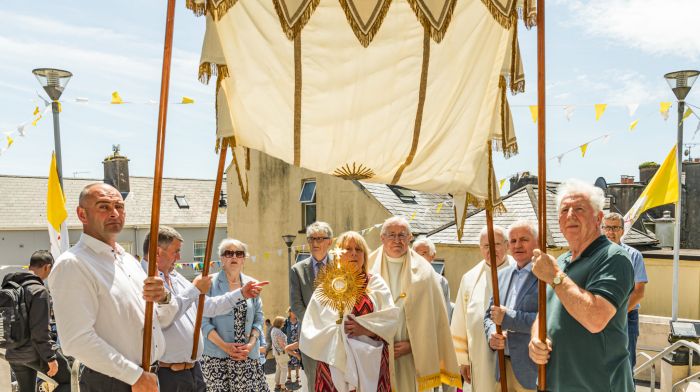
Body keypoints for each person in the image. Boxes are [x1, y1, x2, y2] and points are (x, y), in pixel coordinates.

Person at [48, 183, 177, 392]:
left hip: (147, 376)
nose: (115, 213)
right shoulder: (73, 264)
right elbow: (76, 340)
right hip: (112, 381)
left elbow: (161, 319)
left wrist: (164, 298)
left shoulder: (129, 261)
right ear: (82, 214)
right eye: (103, 207)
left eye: (119, 206)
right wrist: (134, 376)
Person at [528, 179, 635, 391]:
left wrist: (556, 277)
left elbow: (595, 318)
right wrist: (535, 340)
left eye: (579, 209)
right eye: (564, 209)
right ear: (558, 222)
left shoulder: (614, 258)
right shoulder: (559, 262)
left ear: (599, 218)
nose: (570, 215)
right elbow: (543, 314)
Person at [142, 227, 268, 391]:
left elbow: (207, 307)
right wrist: (195, 289)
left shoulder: (175, 277)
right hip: (167, 373)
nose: (180, 257)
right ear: (158, 252)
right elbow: (165, 318)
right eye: (176, 252)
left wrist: (242, 293)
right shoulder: (143, 280)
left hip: (192, 371)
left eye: (239, 254)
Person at [368, 217, 461, 391]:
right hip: (375, 354)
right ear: (382, 238)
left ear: (410, 237)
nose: (397, 240)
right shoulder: (367, 266)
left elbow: (437, 319)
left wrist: (413, 344)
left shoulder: (425, 273)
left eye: (402, 235)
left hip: (412, 356)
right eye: (391, 235)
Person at [300, 231, 398, 391]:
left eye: (359, 249)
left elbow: (390, 319)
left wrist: (366, 329)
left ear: (365, 256)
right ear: (338, 255)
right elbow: (313, 325)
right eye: (347, 249)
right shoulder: (326, 287)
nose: (353, 253)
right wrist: (340, 331)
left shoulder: (376, 283)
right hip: (334, 363)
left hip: (373, 363)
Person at [451, 225, 514, 392]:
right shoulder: (470, 278)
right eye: (486, 246)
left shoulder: (519, 271)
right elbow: (459, 320)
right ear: (480, 248)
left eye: (496, 244)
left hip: (512, 359)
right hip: (479, 358)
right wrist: (463, 360)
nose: (491, 250)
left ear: (507, 246)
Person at [201, 238, 269, 392]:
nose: (234, 257)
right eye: (229, 253)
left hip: (247, 357)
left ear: (244, 259)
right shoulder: (209, 283)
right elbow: (202, 322)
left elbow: (259, 318)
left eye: (239, 253)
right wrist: (226, 347)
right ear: (221, 259)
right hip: (217, 358)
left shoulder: (252, 283)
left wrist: (251, 345)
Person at [484, 220, 539, 391]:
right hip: (501, 367)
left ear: (537, 242)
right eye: (513, 241)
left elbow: (549, 319)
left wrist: (510, 318)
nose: (518, 245)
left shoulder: (546, 275)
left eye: (524, 239)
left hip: (532, 371)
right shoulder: (502, 275)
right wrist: (492, 333)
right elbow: (489, 315)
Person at [4, 250, 70, 392]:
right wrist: (50, 358)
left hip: (13, 352)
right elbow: (39, 331)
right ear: (47, 267)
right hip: (35, 353)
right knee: (69, 381)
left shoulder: (9, 287)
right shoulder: (39, 291)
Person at [601, 212, 648, 370]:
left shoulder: (634, 256)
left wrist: (615, 313)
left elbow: (639, 292)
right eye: (607, 228)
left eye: (615, 228)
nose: (610, 232)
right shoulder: (594, 256)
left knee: (626, 366)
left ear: (622, 230)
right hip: (597, 317)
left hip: (626, 318)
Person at [290, 221, 334, 389]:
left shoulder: (340, 266)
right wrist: (315, 324)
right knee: (314, 382)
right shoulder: (297, 270)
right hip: (310, 335)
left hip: (335, 335)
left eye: (320, 238)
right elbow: (296, 304)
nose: (315, 243)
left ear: (330, 241)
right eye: (311, 239)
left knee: (337, 381)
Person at [412, 237, 452, 321]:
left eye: (423, 254)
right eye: (415, 254)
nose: (418, 258)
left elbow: (446, 312)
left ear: (432, 256)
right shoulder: (407, 278)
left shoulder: (441, 281)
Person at [272, 316, 291, 392]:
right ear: (279, 323)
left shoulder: (273, 330)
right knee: (284, 369)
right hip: (282, 353)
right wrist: (289, 350)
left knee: (279, 369)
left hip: (277, 353)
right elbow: (282, 344)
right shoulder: (278, 331)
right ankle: (283, 387)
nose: (284, 323)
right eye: (283, 322)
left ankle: (277, 384)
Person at [284, 308, 302, 388]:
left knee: (297, 361)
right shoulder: (286, 322)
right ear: (290, 312)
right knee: (289, 361)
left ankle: (298, 376)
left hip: (297, 344)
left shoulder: (299, 320)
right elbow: (282, 331)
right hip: (289, 344)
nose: (295, 313)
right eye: (293, 311)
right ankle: (289, 377)